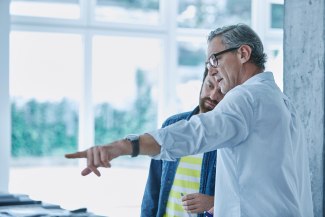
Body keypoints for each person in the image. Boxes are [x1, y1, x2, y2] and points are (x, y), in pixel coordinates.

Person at [65, 23, 314, 217]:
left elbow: (196, 133)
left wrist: (123, 146)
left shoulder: (245, 98)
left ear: (243, 53)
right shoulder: (281, 102)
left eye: (215, 59)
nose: (212, 69)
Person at [141, 67, 224, 217]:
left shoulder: (229, 138)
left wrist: (214, 202)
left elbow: (245, 195)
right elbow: (152, 189)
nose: (213, 96)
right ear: (202, 83)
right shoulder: (172, 125)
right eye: (210, 85)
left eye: (221, 92)